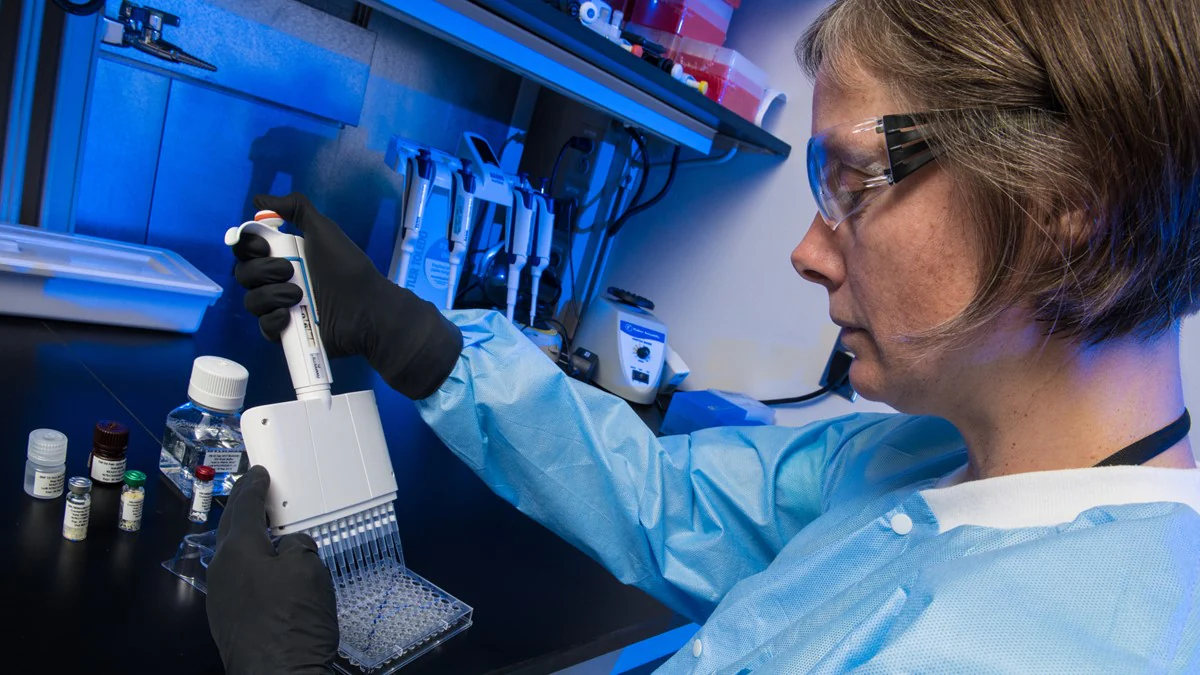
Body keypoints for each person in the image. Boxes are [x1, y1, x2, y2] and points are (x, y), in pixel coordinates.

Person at [206, 0, 1200, 672]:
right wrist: (408, 332)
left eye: (855, 183)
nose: (809, 252)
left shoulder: (1053, 649)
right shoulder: (931, 459)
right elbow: (670, 504)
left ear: (1072, 199)